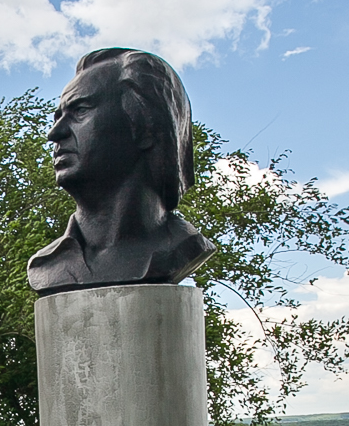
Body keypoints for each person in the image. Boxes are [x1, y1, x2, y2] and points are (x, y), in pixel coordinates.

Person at [25, 47, 217, 294]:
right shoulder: (47, 265)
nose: (55, 133)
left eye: (80, 111)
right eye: (58, 117)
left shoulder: (182, 248)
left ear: (145, 126)